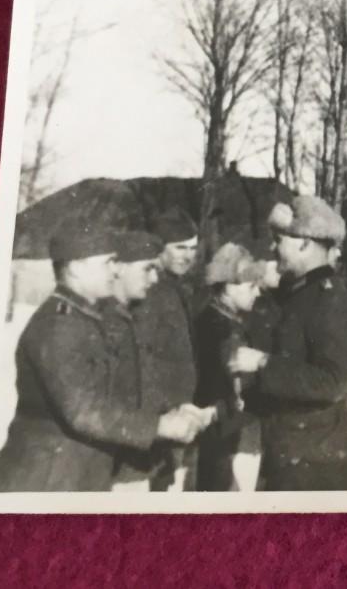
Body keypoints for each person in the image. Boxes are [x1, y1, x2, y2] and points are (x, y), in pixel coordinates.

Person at [0, 225, 204, 492]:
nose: (116, 269)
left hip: (75, 473)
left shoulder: (88, 318)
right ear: (76, 268)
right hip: (46, 480)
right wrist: (158, 425)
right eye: (108, 262)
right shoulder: (59, 325)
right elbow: (83, 409)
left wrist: (169, 409)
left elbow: (114, 388)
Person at [253, 196, 347, 491]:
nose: (272, 247)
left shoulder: (329, 299)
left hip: (319, 465)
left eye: (278, 240)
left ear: (303, 243)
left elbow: (333, 381)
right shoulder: (298, 294)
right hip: (297, 454)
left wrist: (263, 364)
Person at [193, 242, 276, 491]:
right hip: (222, 438)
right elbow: (222, 391)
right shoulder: (219, 329)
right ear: (228, 287)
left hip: (225, 435)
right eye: (251, 286)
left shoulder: (226, 320)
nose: (258, 292)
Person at [132, 207, 201, 490]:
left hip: (177, 417)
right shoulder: (151, 292)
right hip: (159, 421)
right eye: (180, 247)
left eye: (193, 248)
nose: (188, 255)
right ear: (159, 248)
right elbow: (143, 359)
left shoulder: (173, 287)